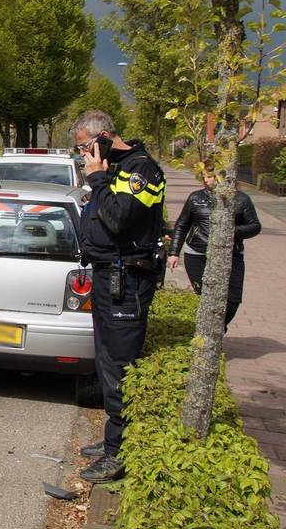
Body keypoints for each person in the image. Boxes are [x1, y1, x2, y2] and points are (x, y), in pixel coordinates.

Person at [71, 110, 165, 483]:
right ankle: (113, 439)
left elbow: (119, 220)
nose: (83, 155)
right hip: (107, 276)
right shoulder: (116, 169)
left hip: (127, 281)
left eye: (84, 147)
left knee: (120, 368)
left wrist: (97, 178)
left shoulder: (141, 170)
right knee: (107, 362)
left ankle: (118, 453)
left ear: (105, 137)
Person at [169, 160, 261, 330]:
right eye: (204, 176)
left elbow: (255, 226)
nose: (207, 180)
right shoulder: (195, 198)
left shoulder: (241, 199)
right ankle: (207, 334)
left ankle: (216, 330)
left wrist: (229, 231)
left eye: (211, 176)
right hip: (197, 252)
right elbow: (182, 224)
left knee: (232, 300)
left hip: (231, 254)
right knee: (205, 297)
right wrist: (174, 252)